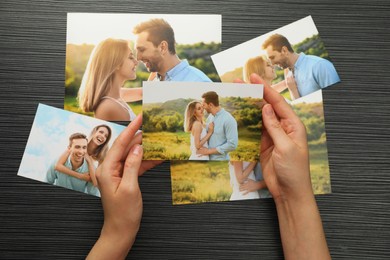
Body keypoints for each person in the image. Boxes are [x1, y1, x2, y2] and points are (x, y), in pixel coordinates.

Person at [88, 74, 331, 259]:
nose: (202, 109)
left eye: (203, 106)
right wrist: (209, 137)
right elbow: (198, 143)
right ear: (195, 111)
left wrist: (117, 233)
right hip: (202, 152)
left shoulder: (208, 120)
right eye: (199, 108)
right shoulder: (198, 124)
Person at [78, 38, 142, 121]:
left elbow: (143, 93)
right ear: (116, 63)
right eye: (130, 57)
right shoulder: (110, 106)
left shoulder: (115, 96)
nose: (136, 62)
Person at [262, 33, 340, 99]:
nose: (272, 64)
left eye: (272, 57)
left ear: (284, 50)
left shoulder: (320, 66)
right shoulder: (288, 74)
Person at [133, 18, 211, 82]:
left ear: (162, 47)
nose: (138, 58)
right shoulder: (153, 82)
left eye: (142, 50)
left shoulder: (199, 82)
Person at [54, 124, 112, 190]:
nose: (102, 136)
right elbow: (57, 166)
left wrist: (89, 161)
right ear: (94, 132)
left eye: (106, 136)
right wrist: (81, 176)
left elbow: (96, 183)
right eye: (101, 132)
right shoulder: (80, 143)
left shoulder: (101, 158)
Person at [197, 91, 238, 160]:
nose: (203, 108)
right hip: (206, 159)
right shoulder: (210, 117)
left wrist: (208, 151)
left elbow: (232, 144)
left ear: (210, 105)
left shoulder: (228, 119)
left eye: (203, 105)